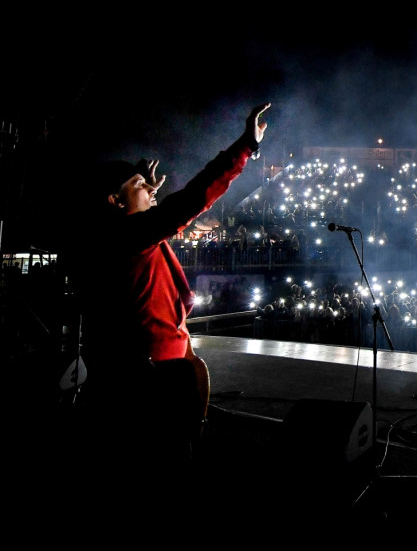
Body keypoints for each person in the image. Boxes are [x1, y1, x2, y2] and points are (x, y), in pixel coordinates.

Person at [69, 103, 271, 520]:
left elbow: (158, 215)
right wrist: (244, 147)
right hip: (153, 381)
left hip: (163, 372)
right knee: (160, 477)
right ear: (114, 200)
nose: (152, 189)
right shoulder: (125, 236)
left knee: (165, 469)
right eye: (141, 185)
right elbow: (192, 199)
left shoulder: (127, 233)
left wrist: (143, 199)